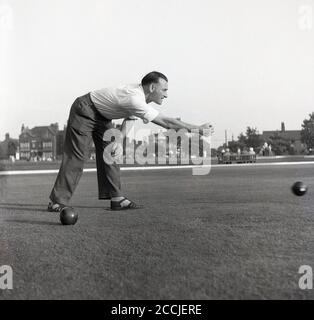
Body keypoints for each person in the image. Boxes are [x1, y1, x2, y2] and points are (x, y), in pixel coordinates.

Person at [48, 71, 213, 212]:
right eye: (164, 90)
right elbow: (167, 123)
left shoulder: (140, 97)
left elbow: (130, 118)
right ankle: (57, 201)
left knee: (111, 152)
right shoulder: (135, 98)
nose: (166, 94)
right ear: (152, 87)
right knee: (77, 156)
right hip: (84, 109)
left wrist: (119, 141)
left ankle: (116, 199)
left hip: (103, 116)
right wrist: (197, 128)